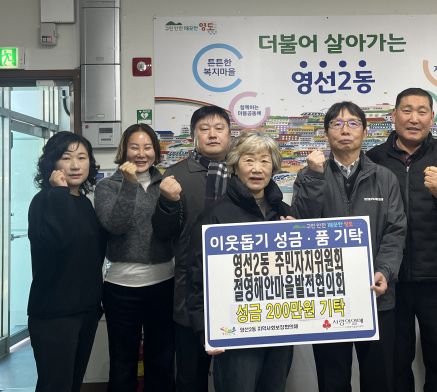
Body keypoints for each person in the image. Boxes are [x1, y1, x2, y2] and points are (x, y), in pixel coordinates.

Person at [367, 88, 437, 392]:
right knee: (395, 361)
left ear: (431, 117)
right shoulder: (374, 158)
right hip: (391, 278)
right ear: (394, 116)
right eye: (406, 110)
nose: (413, 118)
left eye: (421, 111)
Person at [291, 101, 407, 392]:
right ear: (326, 133)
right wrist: (315, 177)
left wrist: (384, 271)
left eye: (353, 123)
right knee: (333, 380)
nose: (345, 130)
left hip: (375, 295)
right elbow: (300, 228)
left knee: (379, 379)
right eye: (337, 124)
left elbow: (395, 231)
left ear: (365, 132)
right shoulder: (308, 175)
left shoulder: (385, 178)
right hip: (327, 298)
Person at [186, 130, 294, 392]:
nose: (257, 168)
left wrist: (299, 238)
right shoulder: (215, 216)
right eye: (249, 160)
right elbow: (196, 279)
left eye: (265, 161)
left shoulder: (284, 213)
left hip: (279, 330)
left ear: (273, 168)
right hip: (235, 332)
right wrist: (206, 330)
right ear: (234, 166)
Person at [95, 123, 182, 392]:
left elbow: (170, 232)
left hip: (163, 284)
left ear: (156, 151)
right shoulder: (106, 186)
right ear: (124, 150)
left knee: (162, 362)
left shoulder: (166, 184)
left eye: (148, 147)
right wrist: (130, 185)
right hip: (121, 288)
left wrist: (170, 200)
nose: (141, 154)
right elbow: (116, 225)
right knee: (123, 363)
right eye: (134, 147)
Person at [152, 106, 231, 392]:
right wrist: (167, 203)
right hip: (190, 289)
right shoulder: (176, 176)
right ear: (193, 136)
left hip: (235, 289)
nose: (212, 134)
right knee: (190, 375)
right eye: (204, 129)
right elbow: (162, 233)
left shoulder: (242, 171)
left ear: (230, 135)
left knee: (235, 376)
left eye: (219, 128)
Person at [27, 131, 107, 392]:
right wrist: (60, 191)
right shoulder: (44, 200)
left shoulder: (84, 203)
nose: (75, 165)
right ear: (52, 163)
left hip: (86, 311)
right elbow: (60, 239)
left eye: (82, 158)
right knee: (55, 386)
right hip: (54, 314)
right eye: (66, 157)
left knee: (73, 384)